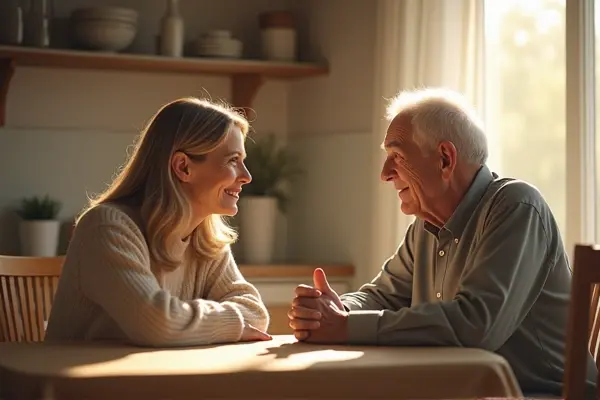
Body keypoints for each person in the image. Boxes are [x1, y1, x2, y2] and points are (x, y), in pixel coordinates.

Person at [288, 88, 596, 397]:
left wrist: (344, 326)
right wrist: (332, 310)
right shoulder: (425, 226)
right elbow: (383, 297)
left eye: (397, 156)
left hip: (545, 395)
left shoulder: (516, 206)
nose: (384, 174)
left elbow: (476, 325)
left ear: (445, 159)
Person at [46, 97, 271, 347]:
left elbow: (256, 313)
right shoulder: (106, 227)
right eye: (232, 160)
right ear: (183, 167)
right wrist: (231, 322)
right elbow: (159, 324)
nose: (247, 177)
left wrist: (188, 319)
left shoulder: (205, 237)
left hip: (153, 379)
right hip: (84, 384)